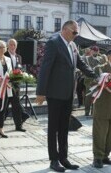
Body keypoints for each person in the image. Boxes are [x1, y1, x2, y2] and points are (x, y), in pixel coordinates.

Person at [35, 20, 97, 172]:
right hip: (55, 93)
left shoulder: (73, 46)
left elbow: (81, 64)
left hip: (69, 93)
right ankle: (54, 159)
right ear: (65, 29)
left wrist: (96, 76)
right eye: (74, 32)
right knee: (53, 127)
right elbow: (46, 67)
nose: (76, 35)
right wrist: (41, 91)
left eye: (77, 33)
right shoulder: (54, 43)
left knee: (64, 127)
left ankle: (64, 157)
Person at [4, 38, 29, 132]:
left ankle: (18, 126)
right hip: (6, 84)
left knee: (16, 105)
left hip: (16, 85)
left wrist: (21, 74)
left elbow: (20, 69)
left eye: (14, 45)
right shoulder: (4, 55)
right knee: (4, 105)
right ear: (8, 46)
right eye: (11, 44)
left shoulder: (19, 57)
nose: (12, 46)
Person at [82, 46, 104, 116]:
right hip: (89, 80)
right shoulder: (86, 58)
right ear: (91, 51)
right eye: (94, 50)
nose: (96, 52)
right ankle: (87, 111)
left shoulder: (100, 59)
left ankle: (93, 111)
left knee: (96, 96)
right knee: (89, 96)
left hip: (98, 80)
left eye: (97, 51)